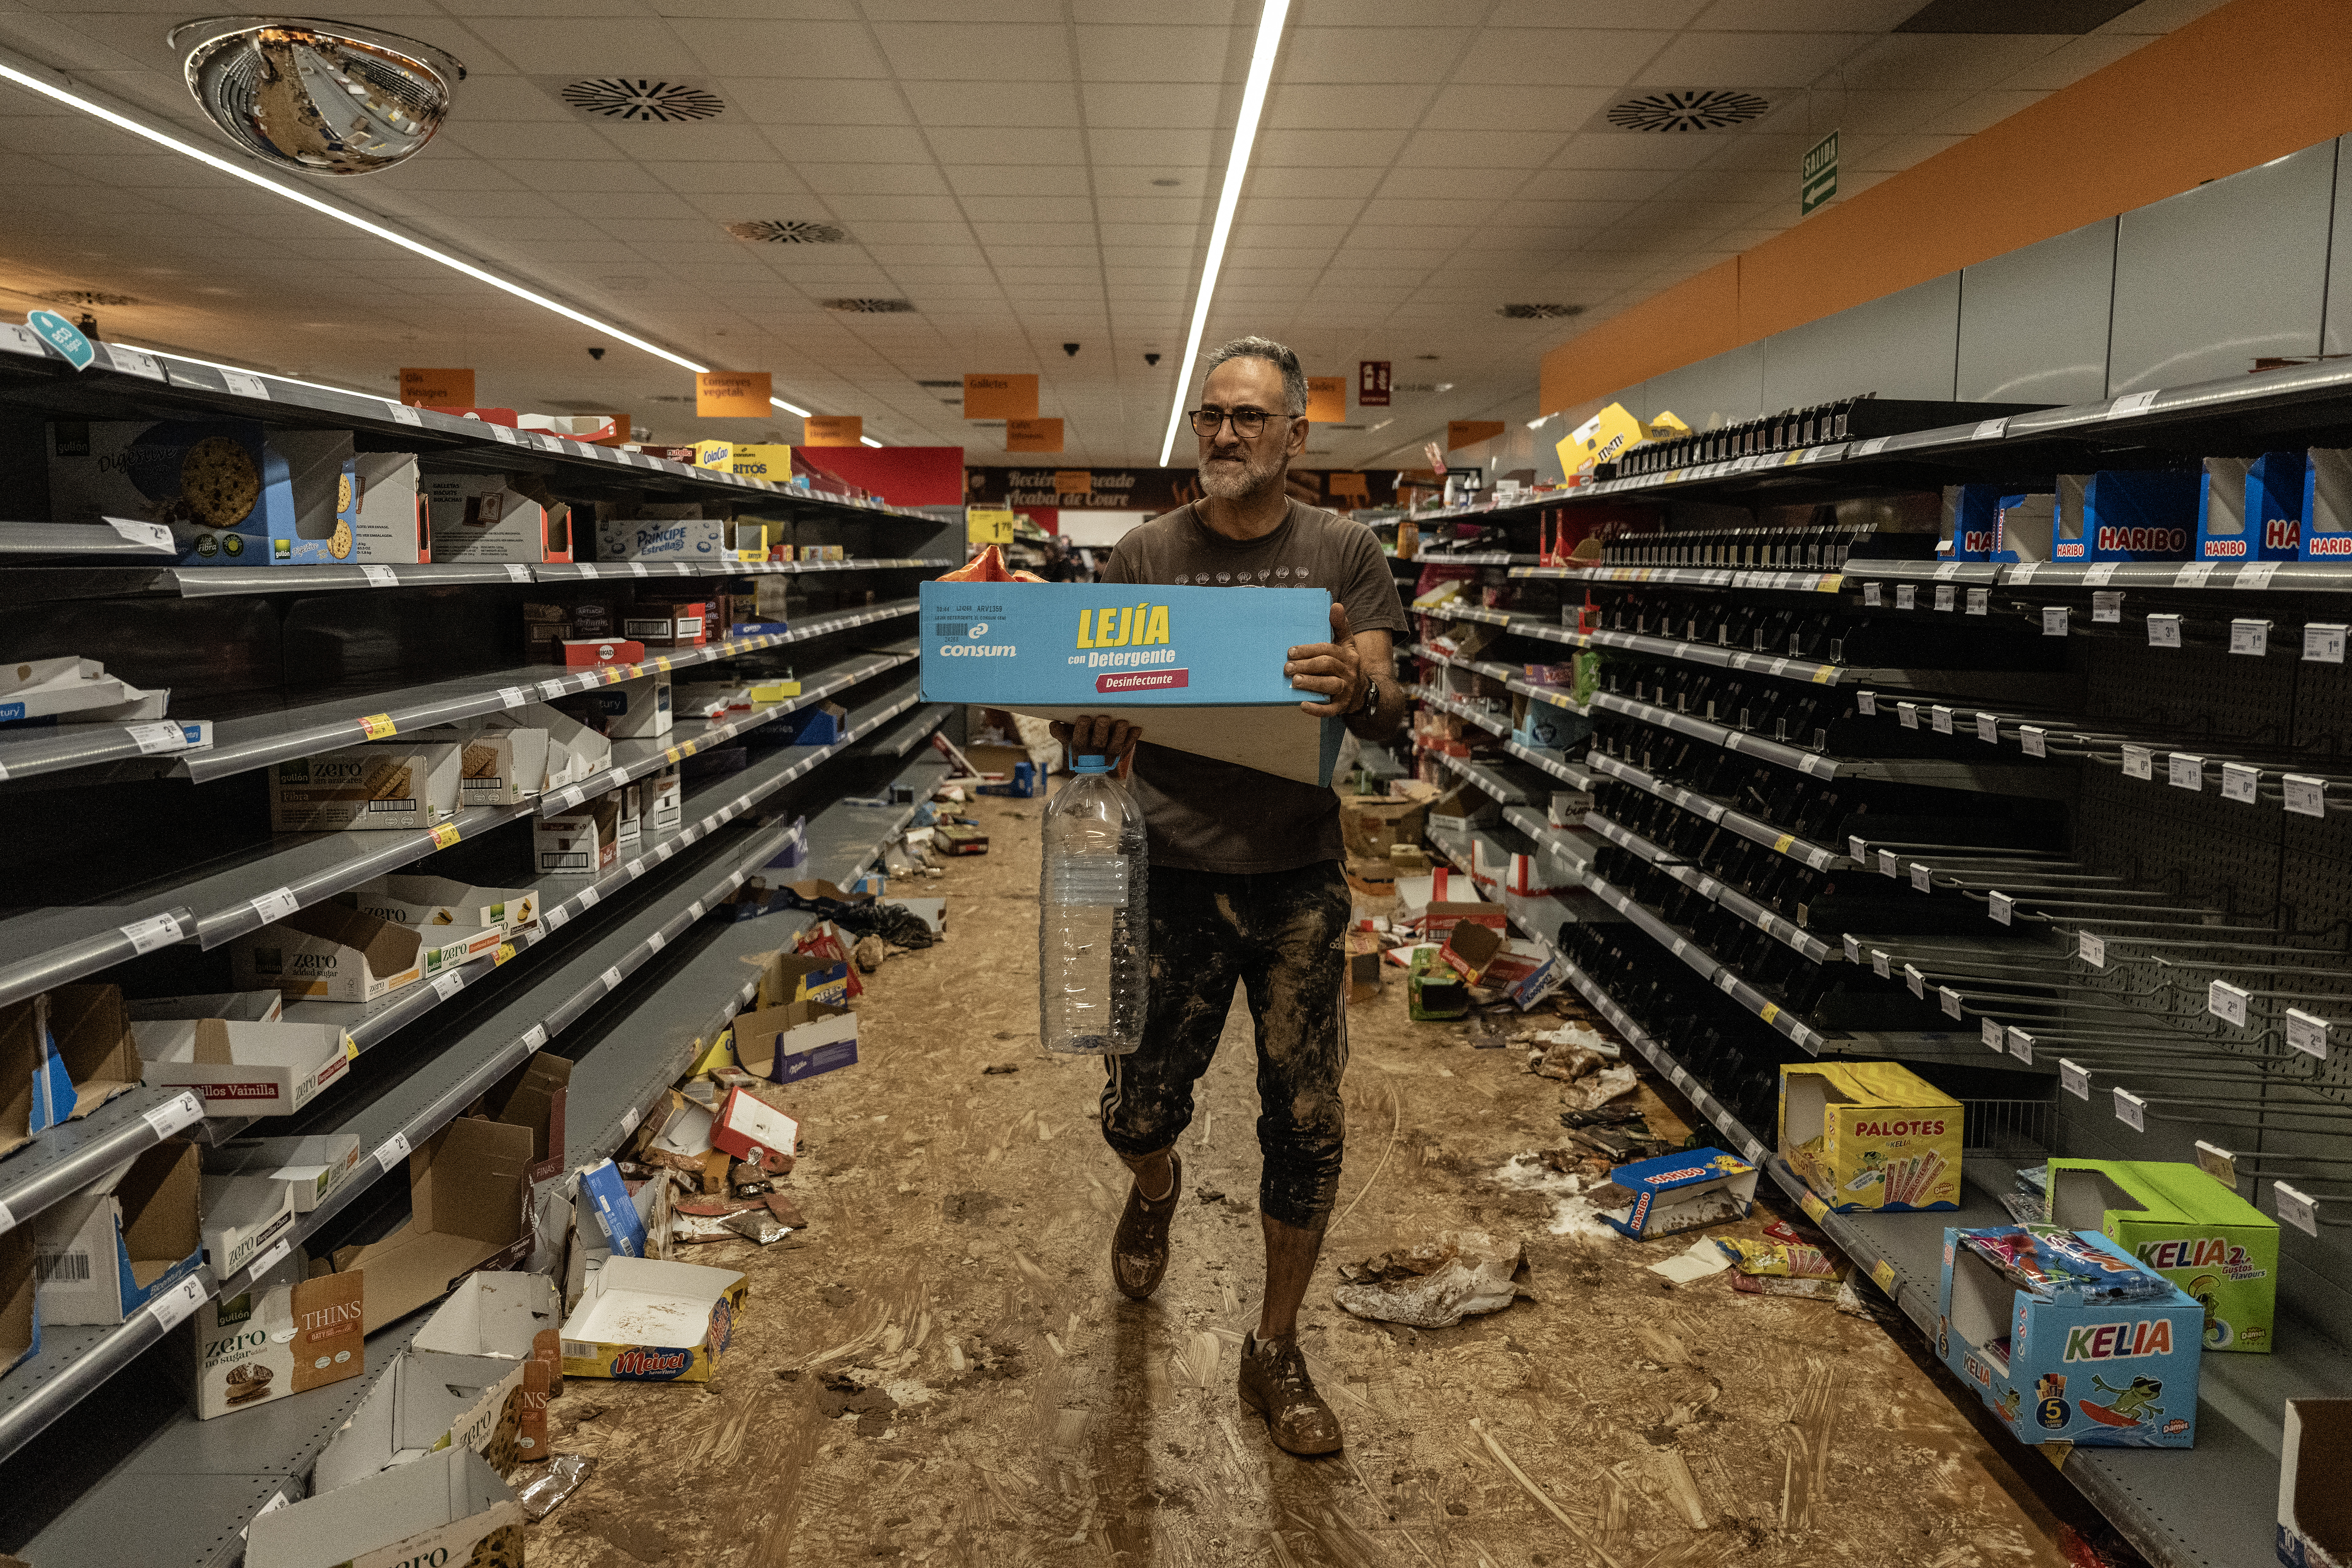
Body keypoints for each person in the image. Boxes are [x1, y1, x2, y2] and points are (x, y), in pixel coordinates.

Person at [1050, 335, 1407, 1457]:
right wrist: (1085, 732)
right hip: (1165, 879)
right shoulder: (1144, 556)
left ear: (1297, 436)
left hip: (1298, 880)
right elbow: (1079, 710)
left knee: (1307, 1122)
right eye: (1210, 416)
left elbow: (1391, 702)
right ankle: (1152, 1188)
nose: (1223, 434)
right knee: (1139, 1110)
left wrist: (1360, 685)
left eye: (1248, 417)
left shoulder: (1344, 553)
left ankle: (1274, 1349)